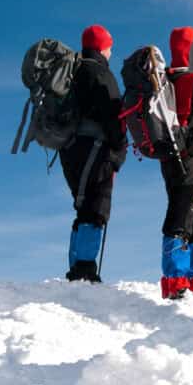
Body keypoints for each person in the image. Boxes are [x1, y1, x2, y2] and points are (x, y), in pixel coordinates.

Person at [60, 24, 127, 282]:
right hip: (96, 148)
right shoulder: (100, 73)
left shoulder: (73, 71)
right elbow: (113, 114)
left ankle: (77, 266)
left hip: (69, 146)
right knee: (96, 206)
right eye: (109, 47)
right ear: (102, 47)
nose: (111, 52)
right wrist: (119, 147)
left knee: (83, 205)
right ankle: (85, 269)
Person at [159, 27, 193, 299]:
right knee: (184, 207)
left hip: (169, 154)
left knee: (183, 204)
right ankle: (181, 277)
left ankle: (188, 274)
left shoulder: (163, 81)